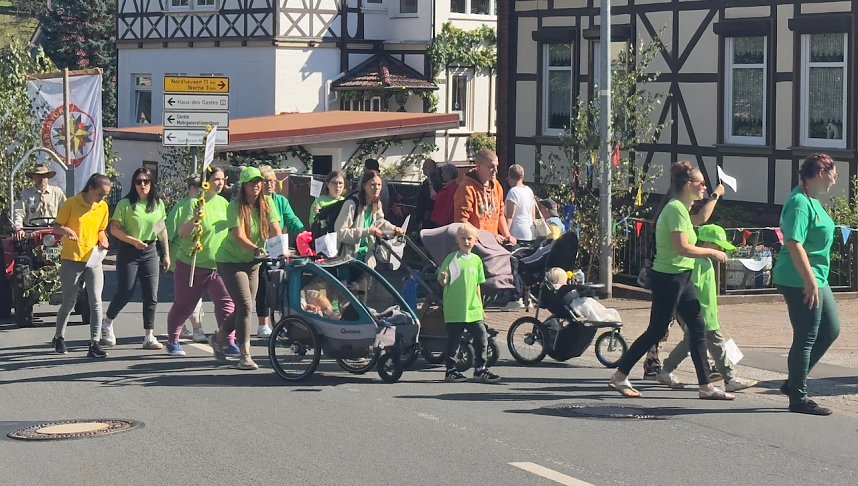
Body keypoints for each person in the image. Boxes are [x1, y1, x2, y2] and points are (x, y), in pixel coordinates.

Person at [609, 161, 734, 400]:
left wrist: (717, 195)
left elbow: (701, 218)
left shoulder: (682, 209)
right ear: (688, 185)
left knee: (698, 327)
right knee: (656, 330)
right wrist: (712, 252)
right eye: (701, 183)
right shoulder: (675, 209)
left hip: (682, 276)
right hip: (669, 277)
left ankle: (705, 386)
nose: (704, 187)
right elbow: (683, 247)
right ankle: (620, 375)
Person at [774, 153, 841, 416]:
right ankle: (798, 397)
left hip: (817, 277)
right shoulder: (800, 202)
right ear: (821, 172)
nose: (835, 180)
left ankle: (793, 382)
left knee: (831, 329)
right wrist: (809, 280)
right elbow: (793, 242)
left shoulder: (811, 200)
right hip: (799, 278)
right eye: (833, 174)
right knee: (807, 336)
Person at [656, 224, 758, 392]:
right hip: (702, 313)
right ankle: (729, 378)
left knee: (690, 343)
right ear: (709, 245)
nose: (720, 250)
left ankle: (667, 370)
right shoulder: (700, 262)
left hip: (703, 312)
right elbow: (693, 288)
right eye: (718, 246)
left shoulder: (702, 261)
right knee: (715, 344)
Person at [210, 167, 281, 370]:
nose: (257, 185)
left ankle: (219, 337)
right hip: (230, 261)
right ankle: (245, 355)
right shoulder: (235, 206)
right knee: (245, 305)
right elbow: (238, 236)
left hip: (253, 262)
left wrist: (280, 249)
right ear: (244, 186)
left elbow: (276, 228)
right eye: (252, 182)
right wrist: (257, 248)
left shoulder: (267, 203)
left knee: (245, 307)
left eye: (258, 181)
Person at [164, 167, 237, 357]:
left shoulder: (224, 203)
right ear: (206, 181)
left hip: (219, 264)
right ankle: (173, 340)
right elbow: (181, 232)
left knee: (227, 304)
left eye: (222, 179)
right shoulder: (194, 203)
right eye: (216, 179)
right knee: (184, 305)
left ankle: (228, 341)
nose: (220, 183)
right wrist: (195, 218)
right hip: (192, 264)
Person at [102, 168, 170, 350]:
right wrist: (133, 241)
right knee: (126, 290)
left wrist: (166, 254)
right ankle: (107, 322)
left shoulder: (157, 204)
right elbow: (114, 229)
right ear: (133, 184)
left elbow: (161, 229)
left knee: (151, 294)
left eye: (146, 182)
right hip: (129, 250)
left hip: (150, 251)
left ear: (152, 184)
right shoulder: (126, 203)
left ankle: (149, 335)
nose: (142, 185)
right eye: (138, 182)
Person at [51, 173, 111, 358]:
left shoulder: (102, 207)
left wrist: (103, 239)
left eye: (105, 195)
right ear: (91, 188)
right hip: (72, 259)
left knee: (96, 301)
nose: (102, 198)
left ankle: (94, 343)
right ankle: (59, 336)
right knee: (69, 301)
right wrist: (65, 230)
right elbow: (56, 226)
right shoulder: (71, 203)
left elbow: (101, 229)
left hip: (93, 259)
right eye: (100, 193)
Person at [437, 223, 500, 383]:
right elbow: (443, 279)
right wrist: (443, 279)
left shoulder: (477, 261)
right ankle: (450, 370)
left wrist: (480, 306)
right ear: (457, 240)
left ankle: (480, 369)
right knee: (454, 341)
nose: (466, 241)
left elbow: (477, 285)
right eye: (463, 238)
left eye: (469, 238)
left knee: (481, 337)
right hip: (455, 307)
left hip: (473, 308)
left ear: (475, 241)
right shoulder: (452, 259)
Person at [256, 165, 305, 338]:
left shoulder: (281, 201)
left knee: (282, 286)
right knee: (263, 287)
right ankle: (263, 324)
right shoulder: (257, 201)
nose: (269, 184)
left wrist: (303, 231)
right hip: (260, 248)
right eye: (265, 181)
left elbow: (291, 219)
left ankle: (284, 322)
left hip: (279, 247)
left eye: (271, 181)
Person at [166, 177, 206, 343]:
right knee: (193, 293)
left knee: (185, 294)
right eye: (196, 187)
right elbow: (174, 229)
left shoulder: (181, 204)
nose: (198, 191)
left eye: (201, 187)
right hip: (187, 254)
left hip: (187, 255)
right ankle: (197, 328)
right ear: (189, 188)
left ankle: (182, 326)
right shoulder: (190, 204)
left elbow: (167, 228)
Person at [333, 170, 402, 265]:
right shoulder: (351, 204)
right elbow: (340, 233)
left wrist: (394, 229)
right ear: (364, 186)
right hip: (348, 258)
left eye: (379, 185)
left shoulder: (376, 203)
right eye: (372, 185)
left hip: (367, 256)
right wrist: (368, 231)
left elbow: (379, 221)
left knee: (369, 279)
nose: (376, 188)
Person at [453, 149, 516, 246]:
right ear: (478, 166)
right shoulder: (466, 189)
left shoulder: (497, 186)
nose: (496, 170)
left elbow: (500, 215)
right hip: (475, 244)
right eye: (491, 167)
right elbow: (461, 222)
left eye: (496, 166)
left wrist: (508, 236)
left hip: (493, 243)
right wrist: (488, 236)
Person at [13, 164, 66, 239]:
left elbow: (66, 211)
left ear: (48, 178)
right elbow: (19, 212)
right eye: (38, 176)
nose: (42, 179)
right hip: (31, 233)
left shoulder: (57, 192)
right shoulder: (26, 194)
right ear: (33, 177)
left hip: (53, 232)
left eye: (44, 176)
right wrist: (19, 229)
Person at [504, 164, 536, 242]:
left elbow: (510, 217)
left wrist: (505, 234)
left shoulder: (513, 192)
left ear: (510, 177)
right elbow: (533, 214)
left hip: (517, 232)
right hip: (530, 231)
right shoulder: (529, 190)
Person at [411, 158, 443, 233]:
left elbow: (431, 199)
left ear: (431, 168)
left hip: (428, 213)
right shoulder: (432, 180)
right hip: (427, 212)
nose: (422, 169)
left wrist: (427, 212)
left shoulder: (433, 181)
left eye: (425, 167)